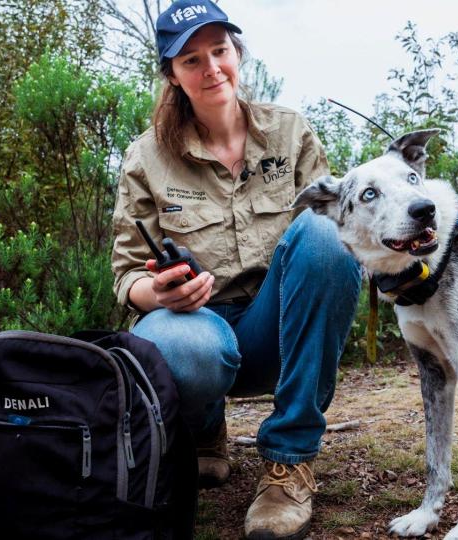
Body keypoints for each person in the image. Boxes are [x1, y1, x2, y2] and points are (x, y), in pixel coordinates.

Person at [110, 1, 362, 538]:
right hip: (197, 327)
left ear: (237, 52)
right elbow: (127, 277)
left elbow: (336, 249)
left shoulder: (291, 133)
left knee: (327, 231)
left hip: (279, 329)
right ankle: (202, 431)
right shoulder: (144, 158)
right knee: (181, 347)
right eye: (192, 60)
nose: (211, 69)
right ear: (172, 76)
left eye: (220, 51)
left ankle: (289, 462)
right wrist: (158, 293)